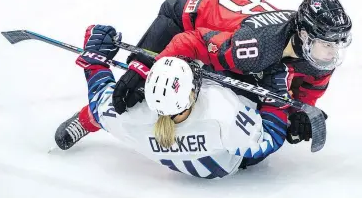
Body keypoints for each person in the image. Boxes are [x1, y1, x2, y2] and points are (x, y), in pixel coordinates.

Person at [110, 0, 352, 144]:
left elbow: (306, 90)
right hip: (186, 12)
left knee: (257, 94)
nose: (333, 54)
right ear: (303, 36)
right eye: (328, 44)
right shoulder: (256, 48)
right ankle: (87, 119)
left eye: (338, 44)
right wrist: (145, 68)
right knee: (132, 91)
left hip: (231, 16)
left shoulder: (319, 56)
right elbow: (190, 41)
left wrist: (298, 111)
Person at [55, 27, 290, 178]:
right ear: (191, 94)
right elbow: (270, 138)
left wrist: (95, 54)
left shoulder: (135, 117)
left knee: (105, 113)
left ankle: (87, 121)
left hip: (178, 143)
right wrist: (277, 97)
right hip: (235, 159)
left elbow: (99, 98)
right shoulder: (221, 111)